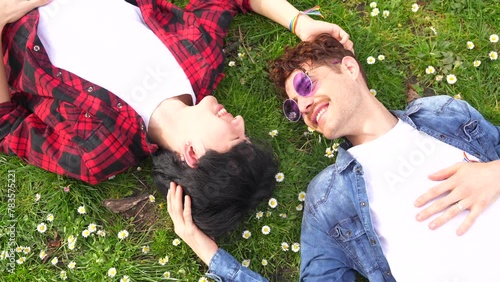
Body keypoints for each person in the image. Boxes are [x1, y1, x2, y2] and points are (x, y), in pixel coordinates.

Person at [0, 0, 352, 238]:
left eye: (236, 139)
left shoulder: (97, 153)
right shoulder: (200, 60)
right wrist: (302, 23)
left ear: (192, 155)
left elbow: (8, 124)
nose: (240, 120)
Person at [167, 34, 500, 281]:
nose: (303, 106)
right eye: (294, 107)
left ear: (350, 68)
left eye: (305, 84)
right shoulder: (327, 199)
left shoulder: (443, 113)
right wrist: (207, 251)